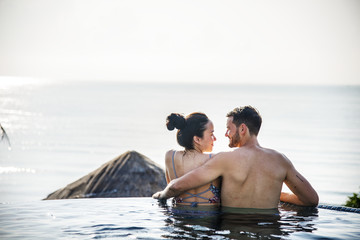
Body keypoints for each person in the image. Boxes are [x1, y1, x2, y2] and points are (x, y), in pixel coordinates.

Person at [153, 106, 319, 209]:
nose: (226, 134)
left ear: (242, 129)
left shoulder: (225, 159)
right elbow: (311, 199)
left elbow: (177, 187)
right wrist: (276, 194)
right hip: (270, 231)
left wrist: (162, 195)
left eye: (229, 129)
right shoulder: (281, 160)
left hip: (233, 231)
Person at [163, 112, 221, 207]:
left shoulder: (170, 156)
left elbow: (170, 188)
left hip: (179, 216)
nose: (215, 139)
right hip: (208, 218)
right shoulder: (215, 159)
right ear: (197, 139)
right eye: (211, 134)